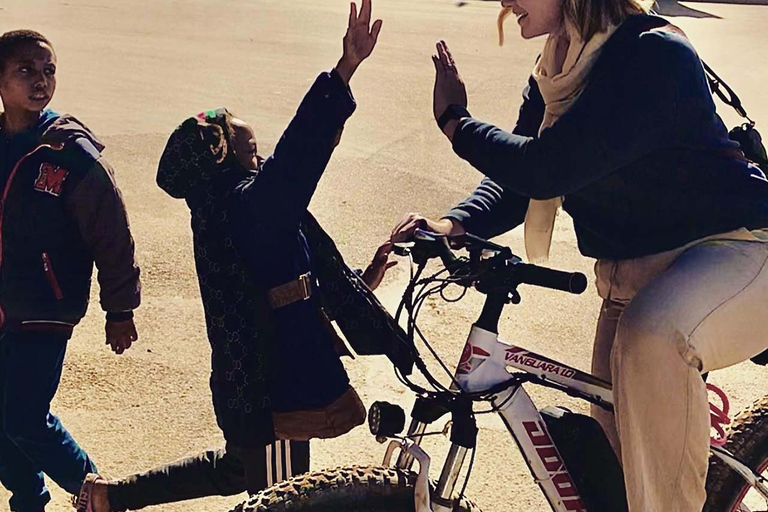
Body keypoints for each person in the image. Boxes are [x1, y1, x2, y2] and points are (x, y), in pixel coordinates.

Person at [392, 0, 768, 510]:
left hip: (739, 250)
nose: (504, 2)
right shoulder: (555, 73)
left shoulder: (652, 54)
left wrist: (456, 123)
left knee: (652, 340)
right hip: (633, 280)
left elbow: (548, 169)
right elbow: (520, 179)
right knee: (617, 468)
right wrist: (456, 224)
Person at [76, 2, 410, 511]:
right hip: (273, 380)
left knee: (246, 471)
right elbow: (298, 158)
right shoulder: (244, 204)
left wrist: (363, 277)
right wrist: (343, 72)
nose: (262, 157)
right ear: (224, 156)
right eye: (253, 150)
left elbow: (280, 272)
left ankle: (111, 497)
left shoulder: (229, 211)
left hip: (269, 372)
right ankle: (112, 497)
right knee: (278, 493)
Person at [0, 30, 141, 512]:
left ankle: (97, 494)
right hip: (2, 308)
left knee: (23, 418)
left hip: (45, 308)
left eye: (48, 71)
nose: (40, 81)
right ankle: (28, 498)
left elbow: (112, 233)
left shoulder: (70, 155)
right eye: (26, 71)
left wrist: (120, 308)